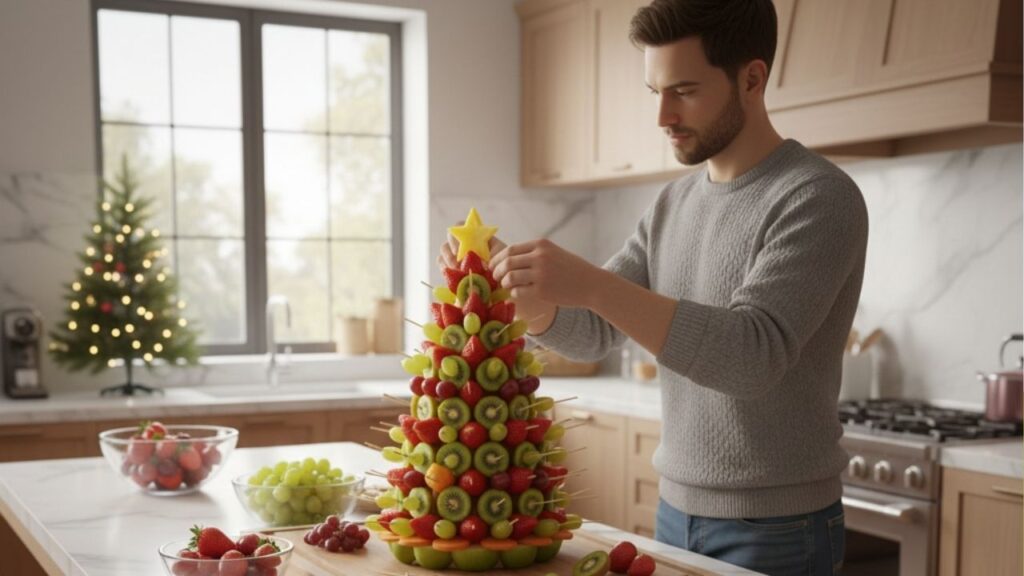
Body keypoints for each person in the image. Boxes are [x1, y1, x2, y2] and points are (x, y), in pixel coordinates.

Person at [439, 1, 867, 574]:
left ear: (752, 78)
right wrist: (529, 296)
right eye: (655, 92)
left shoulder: (817, 197)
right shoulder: (673, 204)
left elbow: (751, 357)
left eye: (684, 90)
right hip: (674, 510)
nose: (663, 116)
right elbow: (593, 334)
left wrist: (590, 284)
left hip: (780, 527)